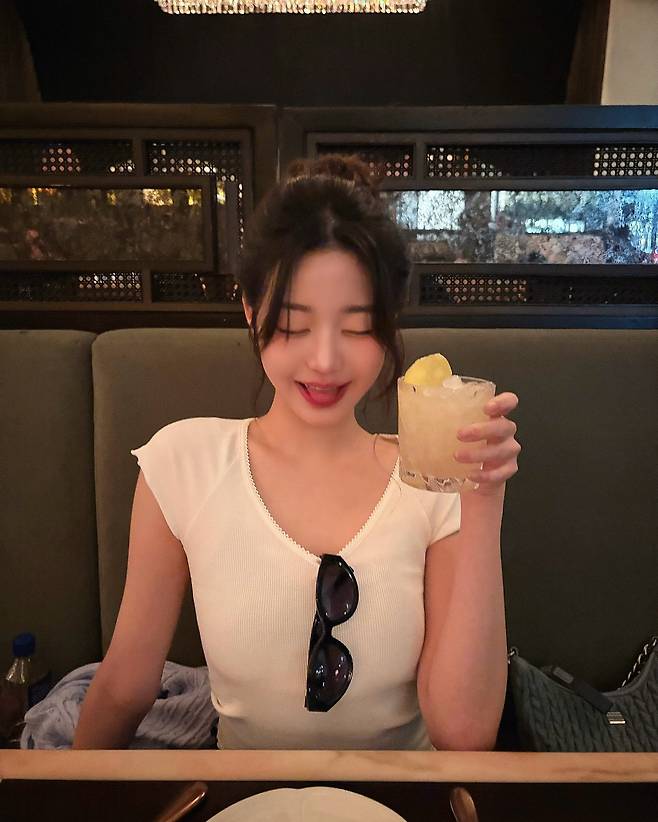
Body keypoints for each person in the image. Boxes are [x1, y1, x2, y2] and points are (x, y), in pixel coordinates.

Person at [72, 154, 520, 752]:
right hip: (244, 797)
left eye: (357, 326)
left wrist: (483, 500)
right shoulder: (183, 464)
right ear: (250, 310)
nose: (325, 360)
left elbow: (463, 734)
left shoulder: (430, 477)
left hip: (398, 797)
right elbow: (125, 684)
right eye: (293, 324)